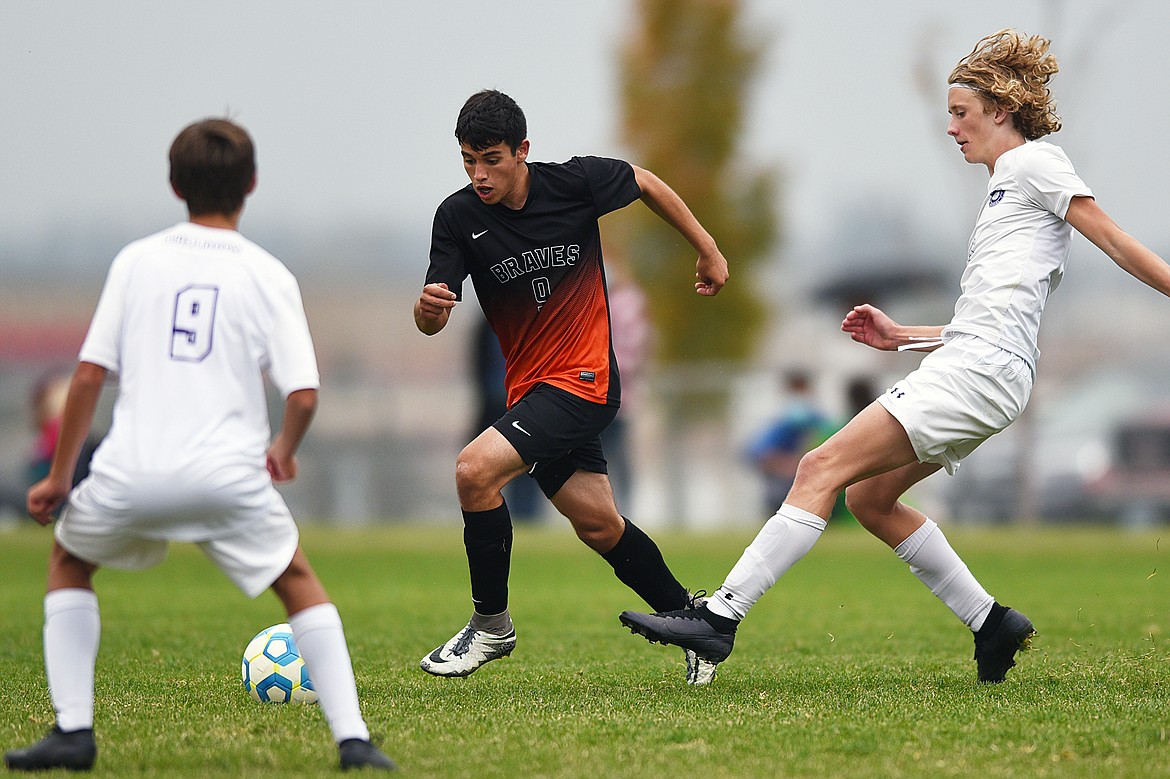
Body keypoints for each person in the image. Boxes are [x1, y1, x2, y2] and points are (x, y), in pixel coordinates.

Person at [619, 28, 1170, 684]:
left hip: (979, 373)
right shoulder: (1005, 188)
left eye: (960, 114)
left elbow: (1113, 239)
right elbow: (987, 321)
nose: (951, 128)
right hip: (986, 367)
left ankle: (719, 618)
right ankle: (992, 623)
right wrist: (901, 334)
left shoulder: (1033, 163)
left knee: (818, 466)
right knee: (871, 499)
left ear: (999, 112)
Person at [4, 119, 395, 772]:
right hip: (227, 476)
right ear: (252, 184)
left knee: (70, 561)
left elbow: (89, 375)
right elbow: (303, 393)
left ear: (174, 183)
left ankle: (73, 730)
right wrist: (285, 449)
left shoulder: (135, 262)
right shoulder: (268, 274)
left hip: (131, 470)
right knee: (298, 581)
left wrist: (59, 476)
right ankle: (353, 739)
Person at [414, 89, 729, 685]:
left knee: (473, 472)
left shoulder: (574, 184)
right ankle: (696, 625)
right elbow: (433, 315)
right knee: (599, 525)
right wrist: (428, 310)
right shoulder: (456, 217)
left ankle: (490, 625)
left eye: (492, 159)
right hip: (532, 394)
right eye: (467, 161)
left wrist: (708, 250)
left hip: (585, 384)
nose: (479, 175)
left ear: (522, 151)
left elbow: (645, 182)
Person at [745, 370, 832, 513]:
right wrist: (789, 466)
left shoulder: (814, 418)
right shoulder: (786, 421)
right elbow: (760, 453)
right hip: (782, 475)